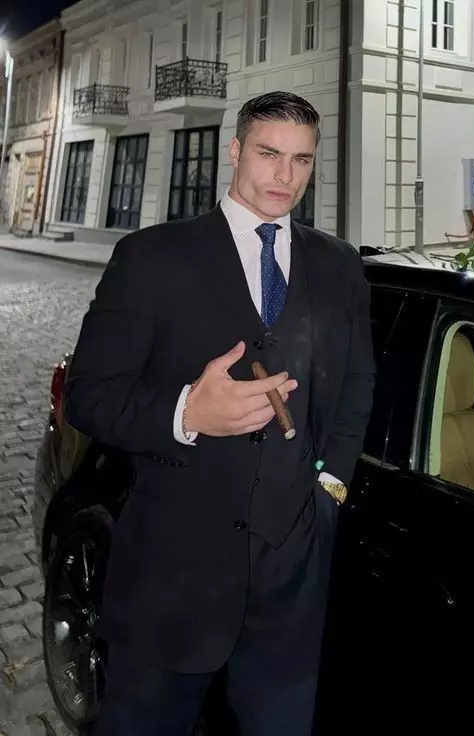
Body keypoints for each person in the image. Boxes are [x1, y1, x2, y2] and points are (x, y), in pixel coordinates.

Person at [64, 90, 376, 735]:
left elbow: (357, 382)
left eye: (301, 159)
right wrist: (187, 411)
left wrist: (331, 487)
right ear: (234, 151)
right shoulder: (151, 257)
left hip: (291, 571)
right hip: (174, 572)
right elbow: (88, 394)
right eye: (268, 153)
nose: (285, 175)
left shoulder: (340, 264)